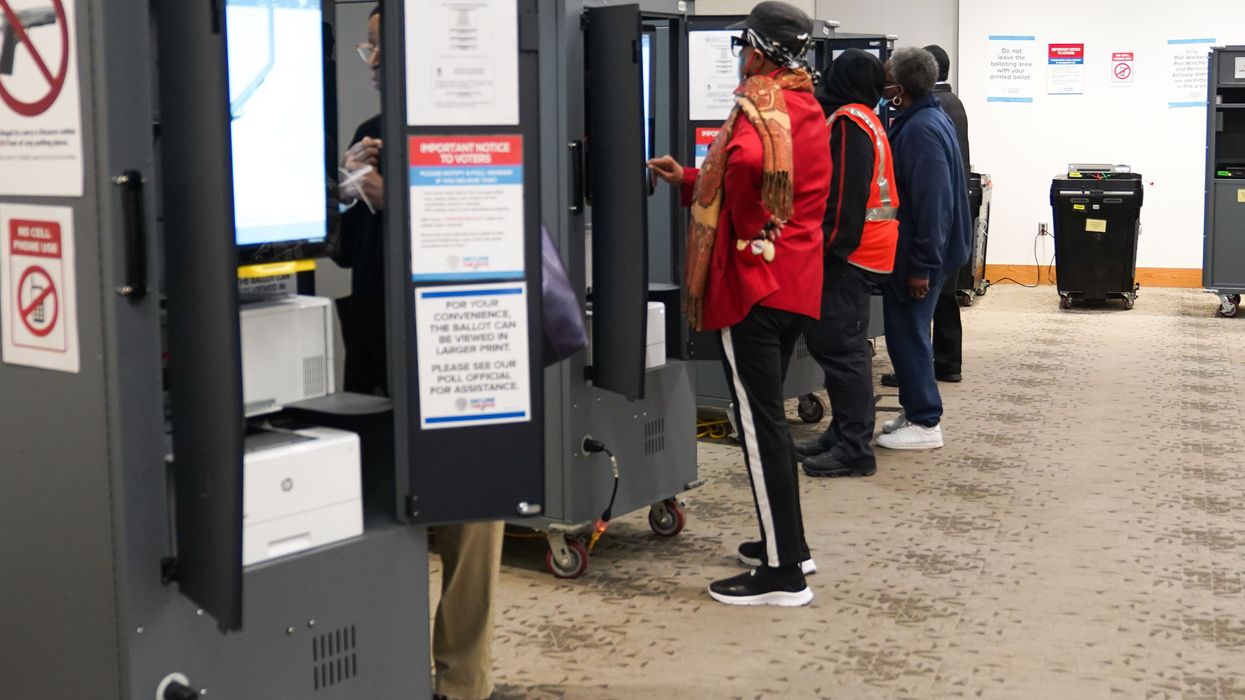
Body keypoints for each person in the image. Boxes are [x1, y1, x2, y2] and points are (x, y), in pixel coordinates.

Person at [333, 8, 504, 700]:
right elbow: (343, 250)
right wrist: (348, 188)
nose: (370, 57)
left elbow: (485, 238)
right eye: (368, 44)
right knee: (385, 521)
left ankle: (462, 681)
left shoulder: (474, 130)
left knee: (469, 529)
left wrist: (394, 197)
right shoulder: (368, 135)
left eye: (382, 44)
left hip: (456, 362)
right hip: (376, 355)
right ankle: (393, 669)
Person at [648, 0, 829, 607]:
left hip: (753, 285)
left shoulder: (761, 107)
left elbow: (751, 163)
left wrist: (736, 206)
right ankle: (789, 546)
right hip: (795, 282)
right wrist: (692, 182)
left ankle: (783, 576)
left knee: (758, 428)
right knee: (768, 423)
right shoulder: (805, 104)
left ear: (754, 49)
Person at [795, 49, 899, 478]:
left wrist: (825, 252)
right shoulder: (866, 116)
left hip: (850, 254)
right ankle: (841, 434)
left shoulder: (847, 123)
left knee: (842, 350)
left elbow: (843, 200)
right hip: (867, 250)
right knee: (841, 347)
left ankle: (855, 448)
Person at [875, 47, 972, 451]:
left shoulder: (921, 129)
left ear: (900, 88)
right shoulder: (927, 118)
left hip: (921, 254)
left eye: (886, 80)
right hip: (923, 250)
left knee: (909, 336)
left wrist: (922, 266)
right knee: (906, 334)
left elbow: (934, 203)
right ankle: (915, 408)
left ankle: (925, 422)